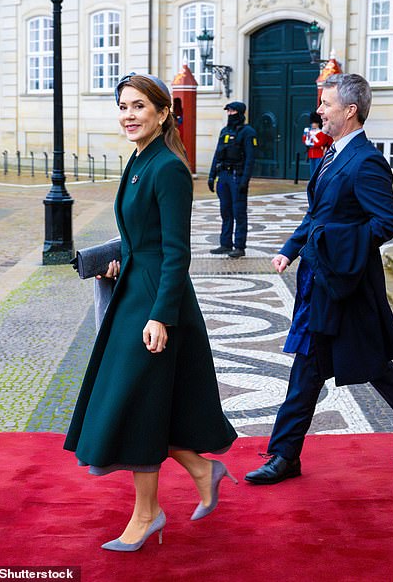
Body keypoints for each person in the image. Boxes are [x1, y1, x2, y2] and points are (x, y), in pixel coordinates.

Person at [245, 73, 393, 485]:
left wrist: (334, 246)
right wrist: (290, 248)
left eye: (326, 104)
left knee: (309, 366)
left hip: (344, 283)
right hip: (323, 280)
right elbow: (318, 216)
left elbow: (386, 223)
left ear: (350, 110)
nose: (319, 110)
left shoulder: (367, 161)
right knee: (369, 361)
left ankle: (285, 455)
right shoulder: (331, 156)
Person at [64, 73, 238, 551]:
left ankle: (148, 514)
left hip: (158, 304)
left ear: (162, 113)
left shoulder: (168, 168)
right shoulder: (139, 159)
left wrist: (161, 316)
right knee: (147, 400)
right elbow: (148, 238)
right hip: (134, 293)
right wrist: (122, 259)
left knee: (137, 402)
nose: (128, 115)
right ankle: (203, 471)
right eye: (123, 106)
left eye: (138, 106)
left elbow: (177, 252)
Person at [207, 101, 258, 258]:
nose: (230, 114)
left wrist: (245, 181)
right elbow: (217, 154)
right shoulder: (224, 131)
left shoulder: (248, 132)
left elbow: (250, 159)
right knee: (225, 211)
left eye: (232, 111)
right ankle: (225, 243)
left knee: (239, 212)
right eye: (228, 111)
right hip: (223, 176)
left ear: (240, 113)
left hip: (237, 175)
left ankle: (239, 246)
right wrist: (211, 176)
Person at [302, 111, 333, 176]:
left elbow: (320, 143)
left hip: (319, 154)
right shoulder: (309, 132)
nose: (313, 124)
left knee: (317, 171)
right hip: (311, 154)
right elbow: (305, 141)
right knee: (312, 171)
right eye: (312, 123)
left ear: (318, 123)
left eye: (314, 123)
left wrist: (312, 141)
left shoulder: (322, 132)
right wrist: (305, 135)